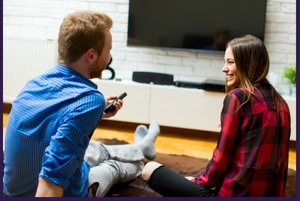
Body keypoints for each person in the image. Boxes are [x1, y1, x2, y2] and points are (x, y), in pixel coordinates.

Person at [2, 11, 160, 197]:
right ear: (91, 55)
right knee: (115, 167)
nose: (109, 57)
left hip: (13, 191)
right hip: (63, 192)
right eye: (108, 50)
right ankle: (141, 154)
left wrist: (98, 114)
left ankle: (143, 146)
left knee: (95, 148)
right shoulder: (90, 100)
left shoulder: (35, 83)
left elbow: (56, 122)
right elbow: (53, 174)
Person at [142, 35, 291, 197]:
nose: (224, 68)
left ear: (247, 64)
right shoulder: (281, 103)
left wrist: (198, 182)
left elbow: (221, 159)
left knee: (149, 169)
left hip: (232, 195)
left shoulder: (239, 98)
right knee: (191, 180)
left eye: (230, 62)